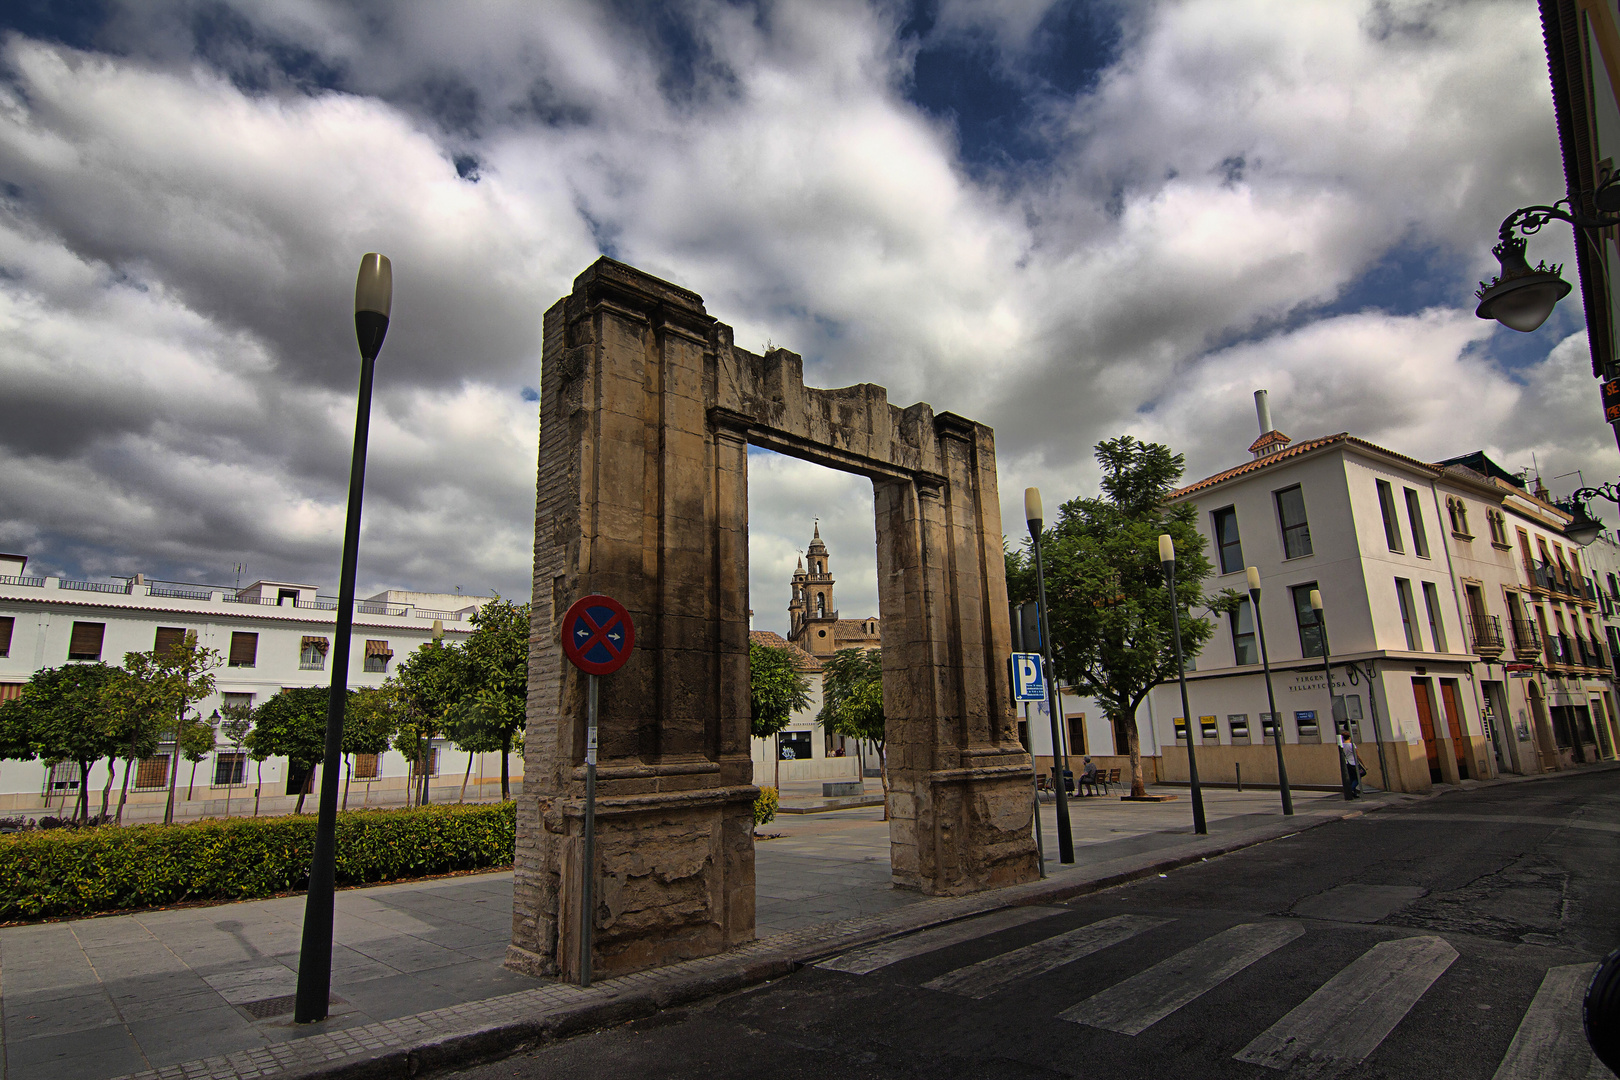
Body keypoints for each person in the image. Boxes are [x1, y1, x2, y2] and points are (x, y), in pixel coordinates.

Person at [1338, 724, 1360, 800]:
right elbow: (1357, 755)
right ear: (1349, 737)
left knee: (1351, 778)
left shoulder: (1342, 745)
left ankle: (1353, 792)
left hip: (1347, 763)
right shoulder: (1352, 745)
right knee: (1357, 778)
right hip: (1353, 763)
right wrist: (1363, 764)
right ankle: (1351, 790)